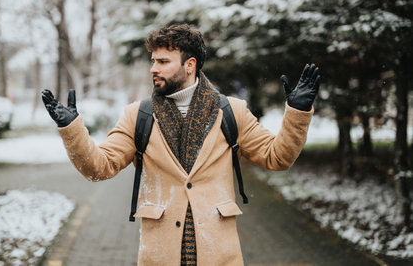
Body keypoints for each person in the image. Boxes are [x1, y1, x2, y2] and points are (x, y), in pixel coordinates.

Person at [42, 23, 320, 266]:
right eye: (153, 61)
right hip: (160, 256)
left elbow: (277, 158)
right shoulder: (138, 115)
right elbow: (98, 168)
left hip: (219, 255)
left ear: (190, 65)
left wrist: (297, 112)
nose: (154, 68)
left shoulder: (231, 111)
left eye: (163, 62)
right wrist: (72, 128)